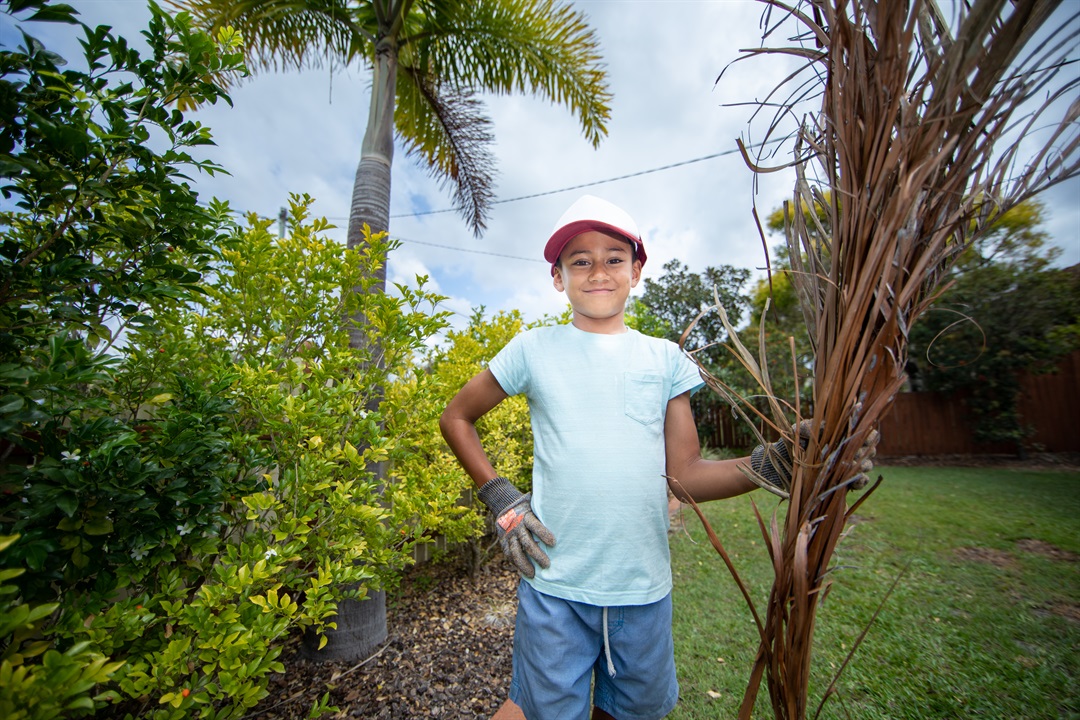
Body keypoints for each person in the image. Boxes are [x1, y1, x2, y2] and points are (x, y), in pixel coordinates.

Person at [439, 195, 869, 720]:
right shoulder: (532, 349)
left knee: (628, 712)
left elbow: (685, 476)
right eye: (580, 260)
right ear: (558, 277)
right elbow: (456, 417)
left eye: (614, 257)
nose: (598, 270)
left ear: (636, 270)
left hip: (641, 592)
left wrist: (769, 464)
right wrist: (503, 501)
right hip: (555, 585)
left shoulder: (665, 357)